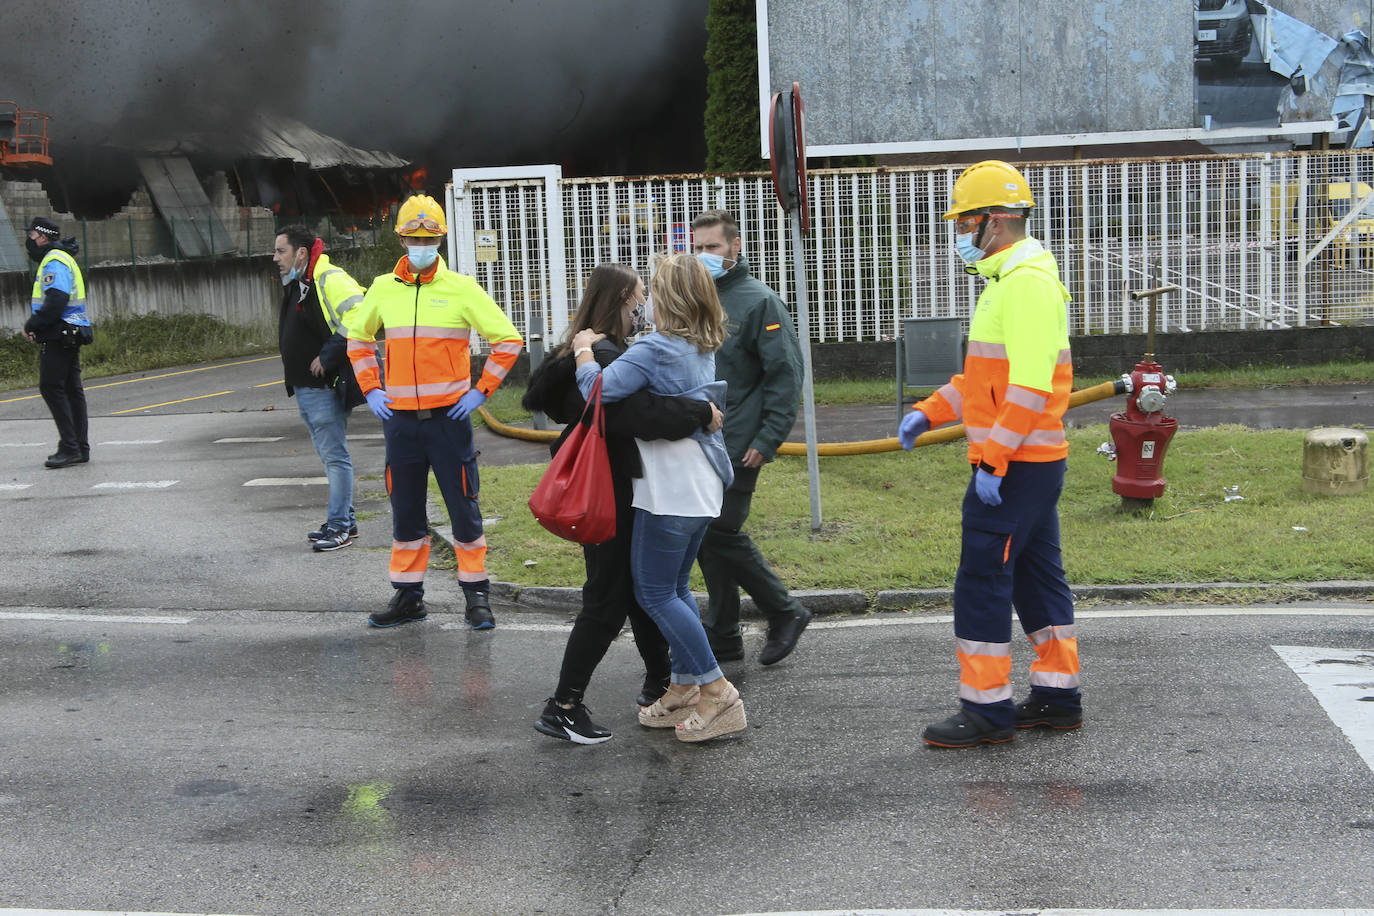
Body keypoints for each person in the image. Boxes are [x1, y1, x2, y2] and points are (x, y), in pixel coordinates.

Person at [898, 160, 1081, 748]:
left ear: (993, 223)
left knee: (982, 580)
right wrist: (930, 410)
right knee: (1035, 578)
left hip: (1015, 466)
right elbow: (985, 383)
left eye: (964, 221)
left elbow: (1028, 390)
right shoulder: (1011, 280)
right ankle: (1057, 696)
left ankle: (986, 711)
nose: (958, 233)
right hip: (1032, 463)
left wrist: (993, 462)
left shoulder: (1024, 283)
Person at [523, 263, 724, 744]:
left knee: (640, 590)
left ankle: (667, 681)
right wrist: (699, 410)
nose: (642, 305)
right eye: (637, 296)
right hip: (611, 493)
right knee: (609, 600)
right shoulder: (604, 353)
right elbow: (637, 413)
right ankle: (564, 705)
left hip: (622, 489)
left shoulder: (603, 349)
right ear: (620, 301)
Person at [569, 253, 744, 743]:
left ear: (667, 299)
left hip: (668, 492)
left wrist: (584, 350)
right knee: (678, 588)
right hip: (700, 485)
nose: (643, 300)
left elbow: (598, 392)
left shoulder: (655, 348)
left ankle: (716, 689)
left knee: (654, 593)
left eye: (651, 291)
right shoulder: (700, 343)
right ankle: (685, 684)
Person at [346, 195, 523, 630]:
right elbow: (357, 339)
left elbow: (508, 340)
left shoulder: (462, 288)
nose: (421, 245)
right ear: (402, 239)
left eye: (429, 238)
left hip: (449, 421)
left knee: (463, 508)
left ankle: (477, 597)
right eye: (413, 237)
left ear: (440, 239)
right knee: (405, 510)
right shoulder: (383, 289)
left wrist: (481, 392)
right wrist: (371, 389)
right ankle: (409, 598)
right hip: (401, 423)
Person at [690, 209, 810, 667]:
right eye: (697, 248)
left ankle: (785, 611)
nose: (704, 256)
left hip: (742, 439)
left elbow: (785, 375)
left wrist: (769, 438)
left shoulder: (760, 301)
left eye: (713, 247)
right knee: (707, 534)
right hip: (703, 436)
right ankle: (724, 635)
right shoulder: (698, 297)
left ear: (735, 247)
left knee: (719, 531)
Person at [273, 225, 367, 552]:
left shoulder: (329, 278)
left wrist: (328, 356)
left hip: (323, 387)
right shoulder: (301, 281)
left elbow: (361, 313)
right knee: (330, 458)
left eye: (280, 251)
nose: (275, 258)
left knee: (335, 458)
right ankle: (347, 520)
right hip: (305, 387)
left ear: (301, 252)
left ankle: (340, 527)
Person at [23, 217, 92, 469]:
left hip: (60, 332)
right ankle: (79, 447)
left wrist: (33, 324)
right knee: (71, 390)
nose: (29, 241)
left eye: (30, 236)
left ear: (42, 237)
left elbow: (56, 301)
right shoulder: (62, 257)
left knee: (51, 386)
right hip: (70, 331)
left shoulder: (54, 260)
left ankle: (70, 447)